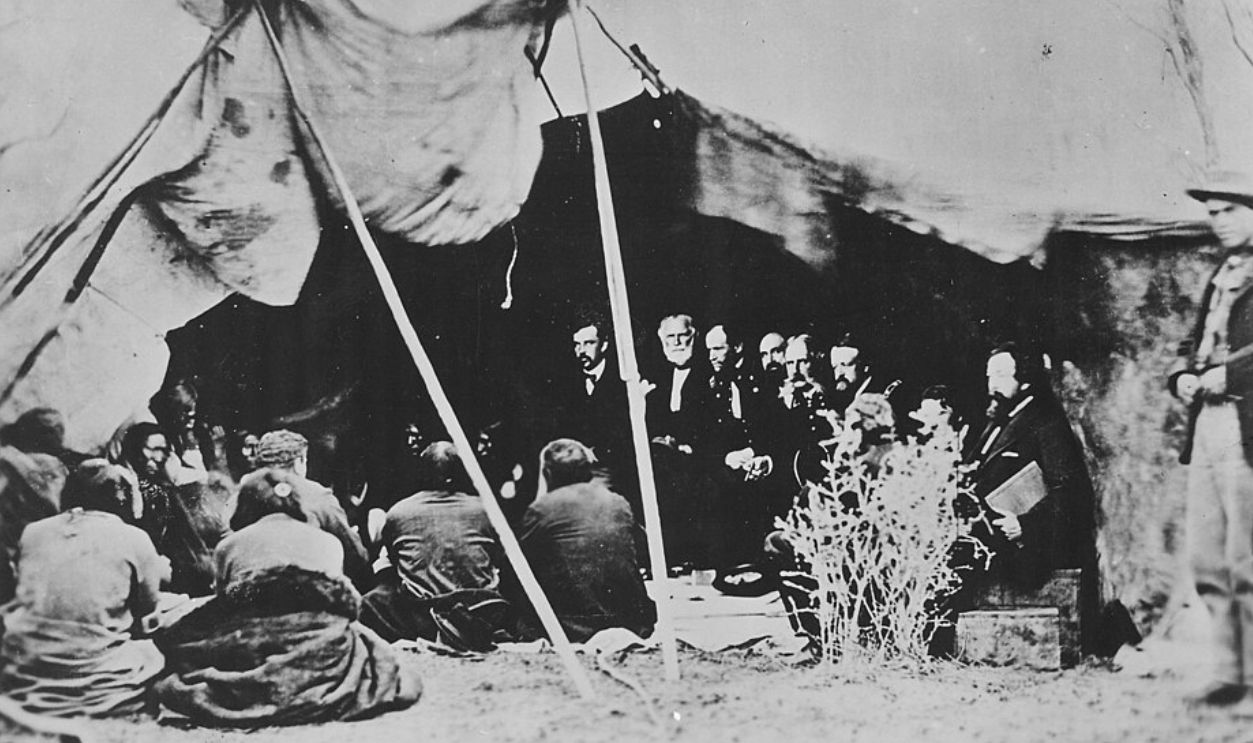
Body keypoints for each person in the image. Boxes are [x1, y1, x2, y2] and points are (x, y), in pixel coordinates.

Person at [155, 470, 421, 725]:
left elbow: (223, 604)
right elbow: (341, 607)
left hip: (253, 646)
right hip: (320, 645)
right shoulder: (328, 541)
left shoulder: (229, 546)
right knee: (377, 657)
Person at [1169, 170, 1253, 707]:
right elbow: (1192, 342)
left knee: (1249, 555)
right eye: (1212, 212)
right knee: (1208, 557)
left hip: (1247, 425)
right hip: (1207, 423)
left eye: (1229, 210)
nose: (1218, 221)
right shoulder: (1221, 273)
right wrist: (1180, 373)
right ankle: (1231, 672)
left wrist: (1231, 373)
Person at [0, 461, 168, 717]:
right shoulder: (133, 537)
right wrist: (158, 571)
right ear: (120, 497)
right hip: (100, 680)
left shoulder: (32, 532)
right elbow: (147, 609)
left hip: (30, 673)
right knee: (152, 649)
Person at [956, 343, 1098, 645]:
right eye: (989, 375)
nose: (992, 384)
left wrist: (1026, 524)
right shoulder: (1000, 421)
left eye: (1000, 375)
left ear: (1026, 379)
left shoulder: (1045, 421)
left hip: (1030, 548)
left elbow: (1071, 492)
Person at [360, 442, 508, 647]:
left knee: (375, 598)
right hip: (479, 608)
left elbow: (394, 561)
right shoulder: (486, 510)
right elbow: (499, 557)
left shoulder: (399, 512)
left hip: (422, 614)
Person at [510, 439, 656, 642]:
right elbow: (643, 551)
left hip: (571, 626)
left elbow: (516, 567)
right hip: (629, 621)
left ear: (548, 474)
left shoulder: (542, 509)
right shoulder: (616, 501)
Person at [644, 314, 719, 567]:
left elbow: (712, 426)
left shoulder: (707, 374)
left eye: (682, 336)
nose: (676, 342)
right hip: (664, 458)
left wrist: (685, 446)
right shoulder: (658, 377)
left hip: (699, 458)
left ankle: (694, 556)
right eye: (670, 337)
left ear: (693, 336)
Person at [251, 429, 370, 586]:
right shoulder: (318, 496)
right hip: (311, 594)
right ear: (299, 463)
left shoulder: (238, 498)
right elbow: (355, 556)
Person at [120, 422, 218, 596]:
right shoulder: (124, 491)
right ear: (135, 450)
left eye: (164, 450)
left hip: (180, 578)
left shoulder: (163, 488)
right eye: (154, 449)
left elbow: (187, 538)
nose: (159, 457)